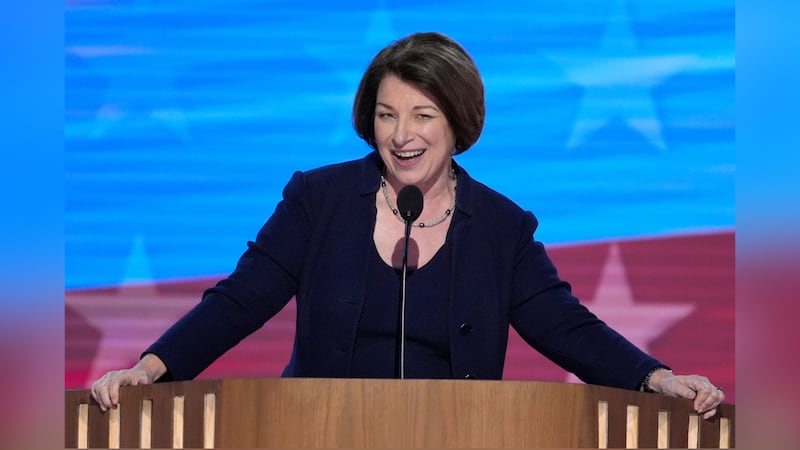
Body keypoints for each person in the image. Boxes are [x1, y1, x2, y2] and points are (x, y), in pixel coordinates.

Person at [91, 31, 725, 418]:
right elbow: (240, 299)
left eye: (422, 115)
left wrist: (656, 378)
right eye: (386, 114)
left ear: (457, 121)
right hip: (315, 433)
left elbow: (567, 327)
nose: (401, 136)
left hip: (459, 437)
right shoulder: (320, 198)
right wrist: (151, 368)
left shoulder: (503, 227)